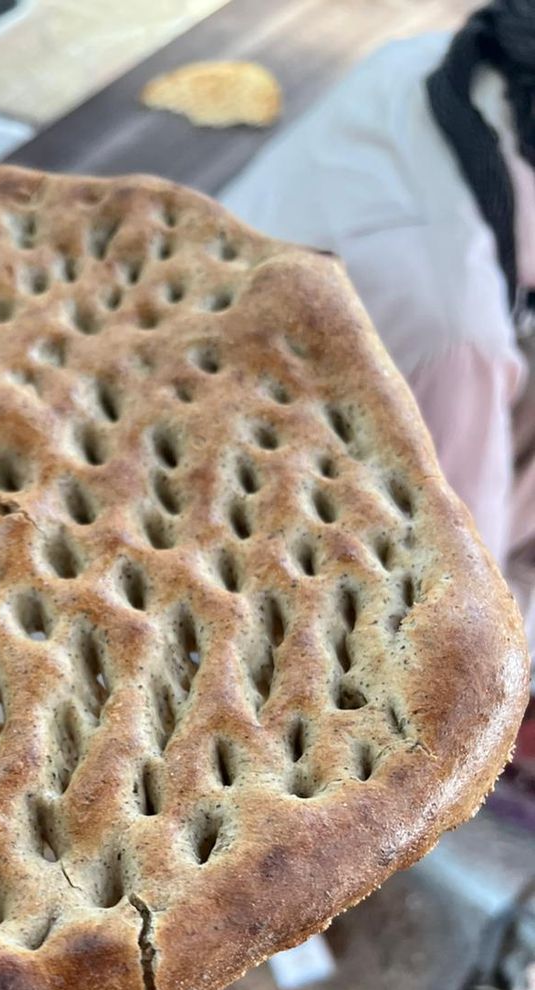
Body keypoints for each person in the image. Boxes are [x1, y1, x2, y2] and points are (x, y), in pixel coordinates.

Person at [222, 0, 535, 655]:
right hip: (255, 502)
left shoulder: (437, 62)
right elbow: (448, 605)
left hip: (226, 313)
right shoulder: (456, 334)